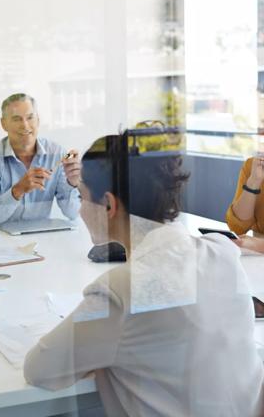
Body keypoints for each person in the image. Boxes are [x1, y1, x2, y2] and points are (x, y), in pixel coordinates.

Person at [24, 133, 264, 417]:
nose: (80, 209)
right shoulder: (222, 253)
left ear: (110, 205)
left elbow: (39, 369)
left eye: (83, 197)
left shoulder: (119, 290)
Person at [0, 93, 81, 227]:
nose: (25, 125)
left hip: (42, 238)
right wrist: (17, 191)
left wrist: (72, 183)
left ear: (38, 120)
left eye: (30, 118)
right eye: (17, 119)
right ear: (4, 124)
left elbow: (73, 213)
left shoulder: (56, 154)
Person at [227, 156, 264, 235]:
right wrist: (254, 181)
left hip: (254, 245)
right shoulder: (253, 165)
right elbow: (237, 228)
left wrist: (257, 244)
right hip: (252, 245)